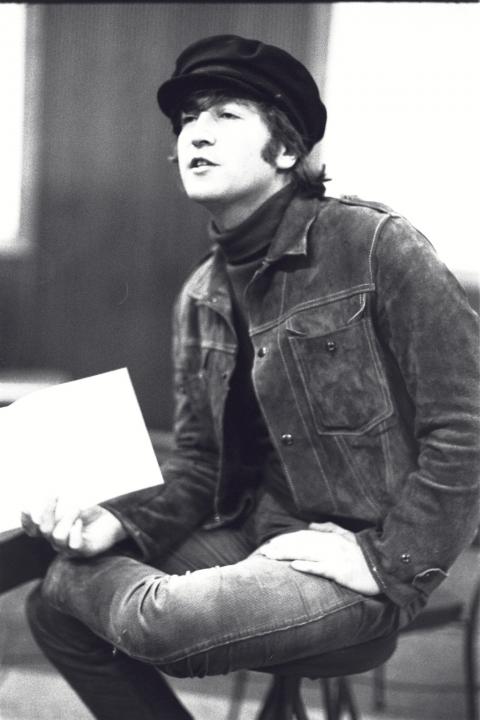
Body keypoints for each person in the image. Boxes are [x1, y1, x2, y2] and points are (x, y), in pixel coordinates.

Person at [16, 34, 480, 720]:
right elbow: (202, 466)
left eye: (225, 115)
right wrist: (119, 523)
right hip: (254, 529)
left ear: (287, 150)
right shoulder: (199, 295)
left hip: (357, 552)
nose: (195, 133)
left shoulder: (374, 244)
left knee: (154, 619)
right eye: (187, 120)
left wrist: (393, 561)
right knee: (54, 599)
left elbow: (465, 424)